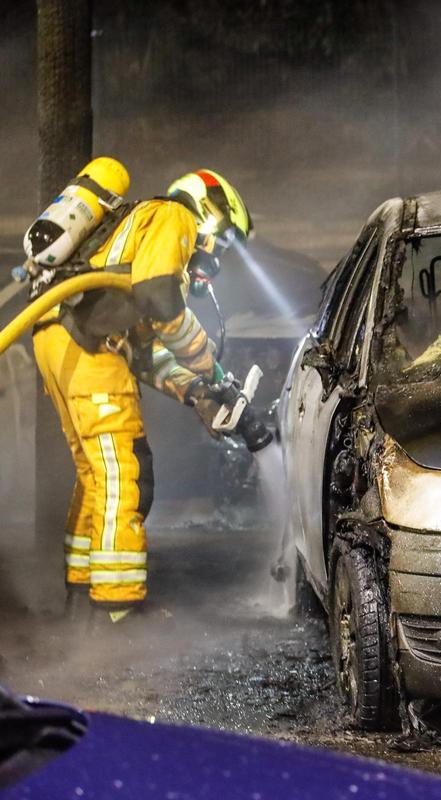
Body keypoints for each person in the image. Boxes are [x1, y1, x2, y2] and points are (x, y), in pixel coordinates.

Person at [31, 168, 252, 622]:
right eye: (222, 244)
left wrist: (198, 393)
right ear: (211, 214)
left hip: (61, 337)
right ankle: (118, 610)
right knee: (122, 474)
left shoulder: (133, 233)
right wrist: (209, 364)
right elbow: (161, 302)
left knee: (95, 475)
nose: (211, 261)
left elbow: (147, 351)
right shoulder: (174, 216)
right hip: (89, 345)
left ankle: (80, 602)